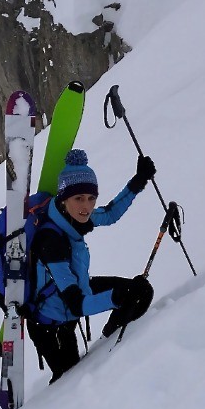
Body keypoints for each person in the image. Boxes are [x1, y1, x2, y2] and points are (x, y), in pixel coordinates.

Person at [25, 147, 156, 382]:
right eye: (79, 198)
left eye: (91, 198)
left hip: (74, 296)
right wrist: (116, 298)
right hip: (50, 324)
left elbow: (111, 213)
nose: (87, 206)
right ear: (64, 199)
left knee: (141, 293)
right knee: (67, 381)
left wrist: (139, 180)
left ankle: (107, 342)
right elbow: (75, 304)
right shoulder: (50, 241)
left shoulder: (75, 215)